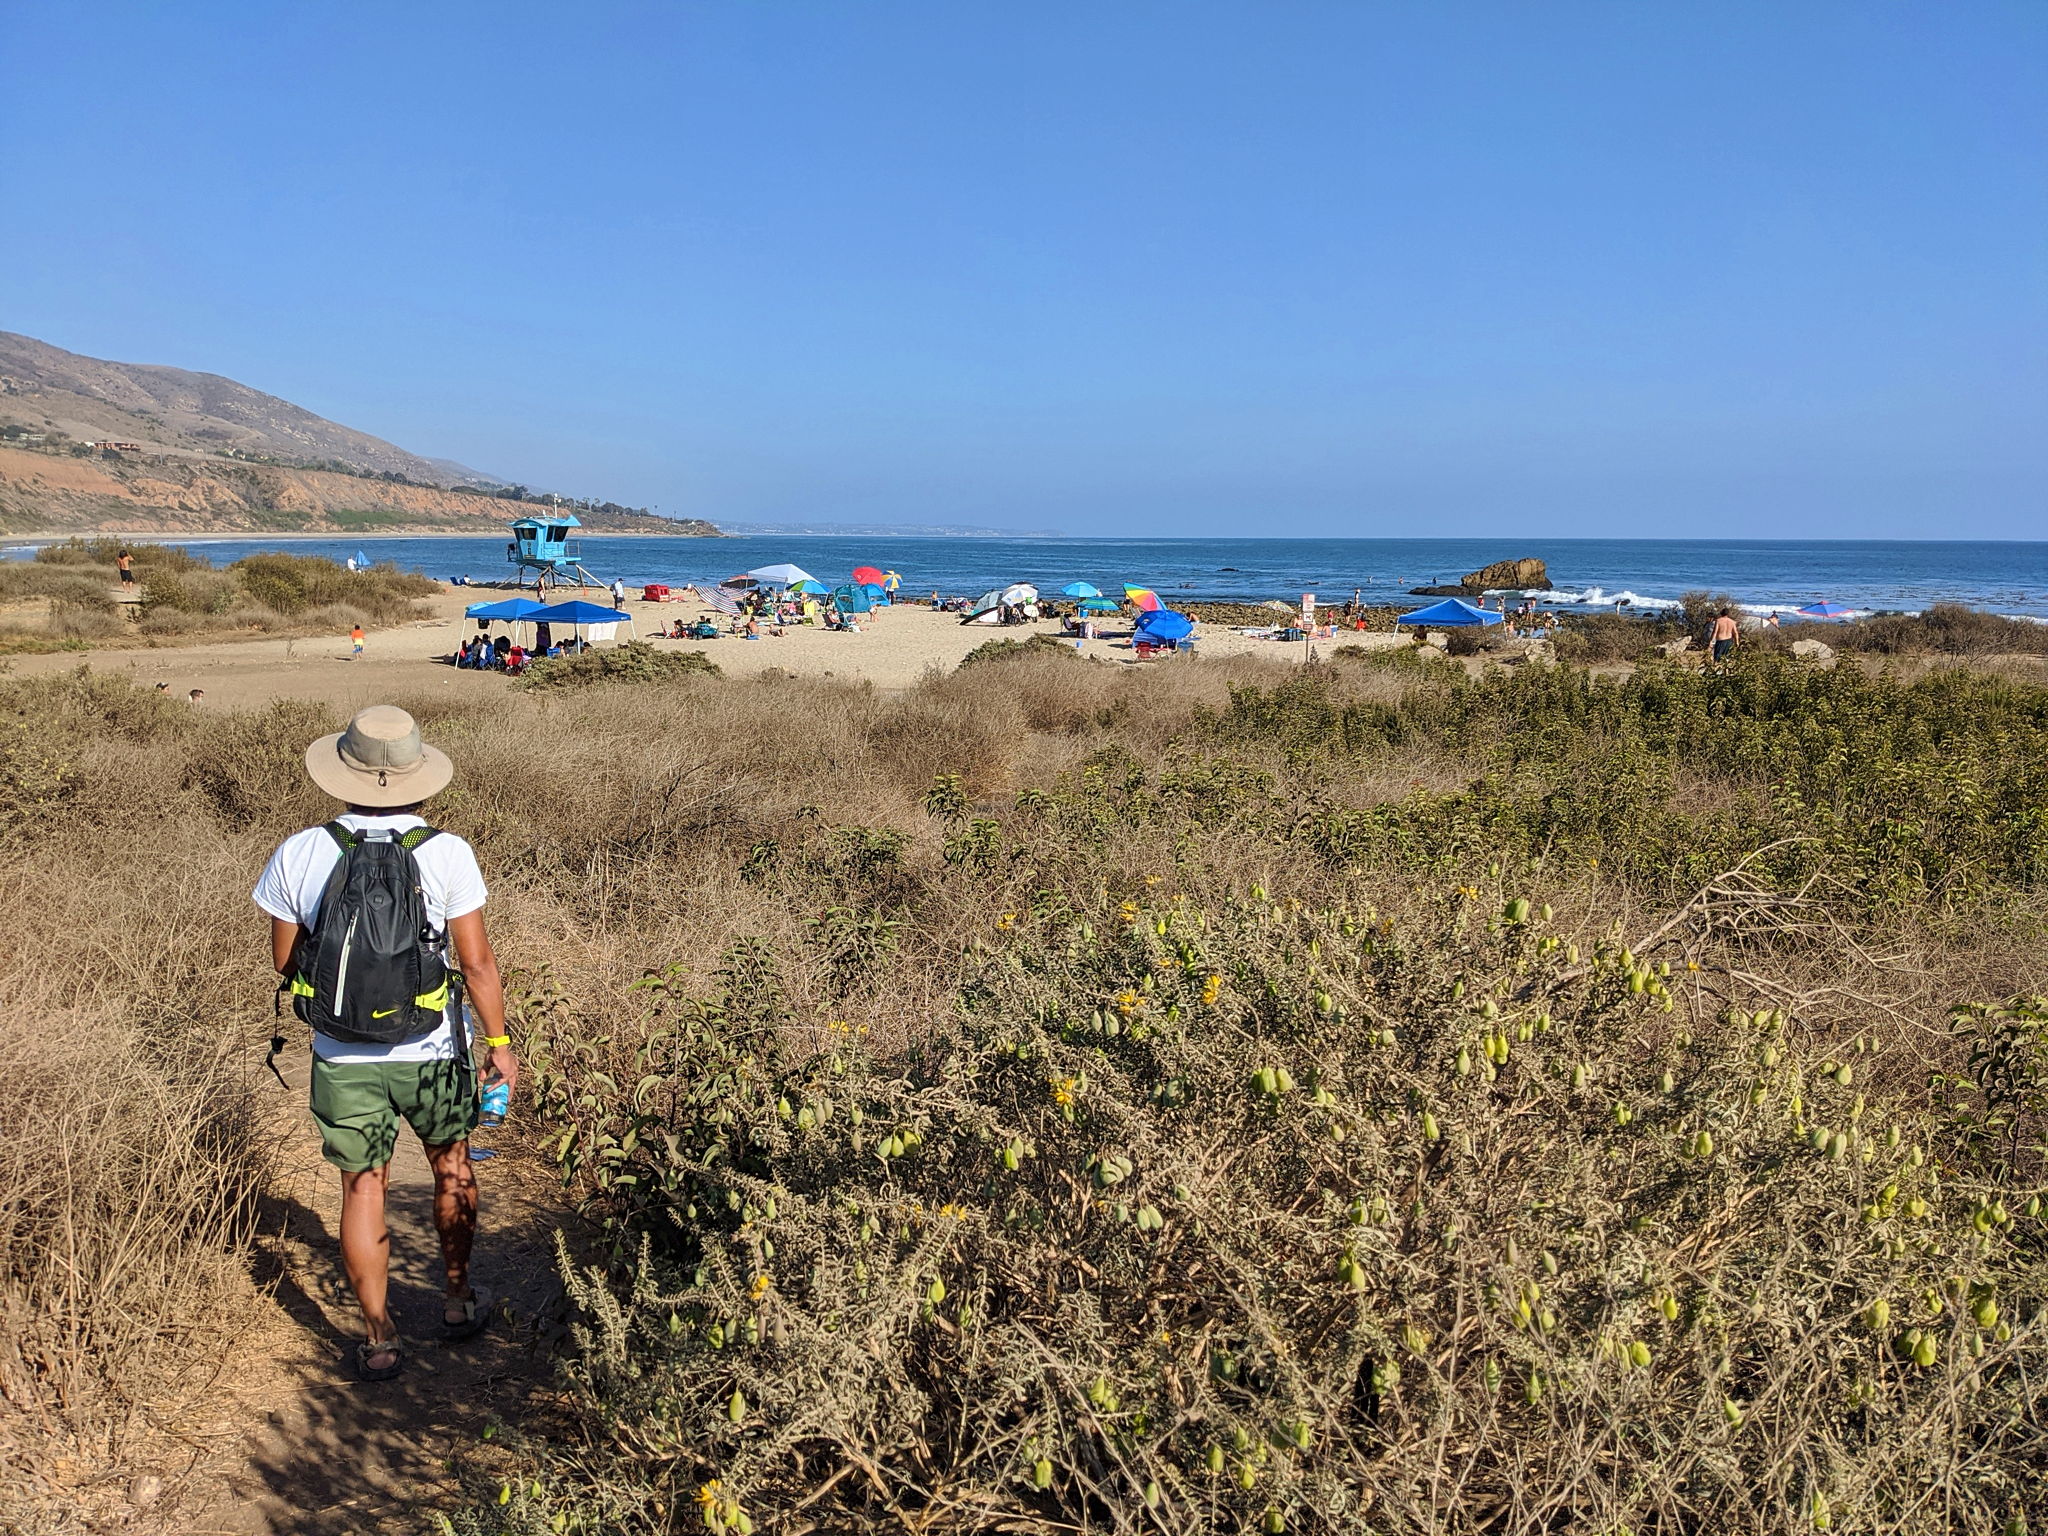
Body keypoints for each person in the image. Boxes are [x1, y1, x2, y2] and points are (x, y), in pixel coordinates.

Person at [253, 706, 517, 1382]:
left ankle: (378, 1338)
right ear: (419, 777)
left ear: (341, 774)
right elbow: (478, 963)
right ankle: (457, 1304)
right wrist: (499, 1041)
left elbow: (285, 963)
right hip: (430, 1049)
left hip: (342, 1053)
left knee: (362, 1184)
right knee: (452, 1165)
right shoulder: (446, 852)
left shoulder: (301, 850)